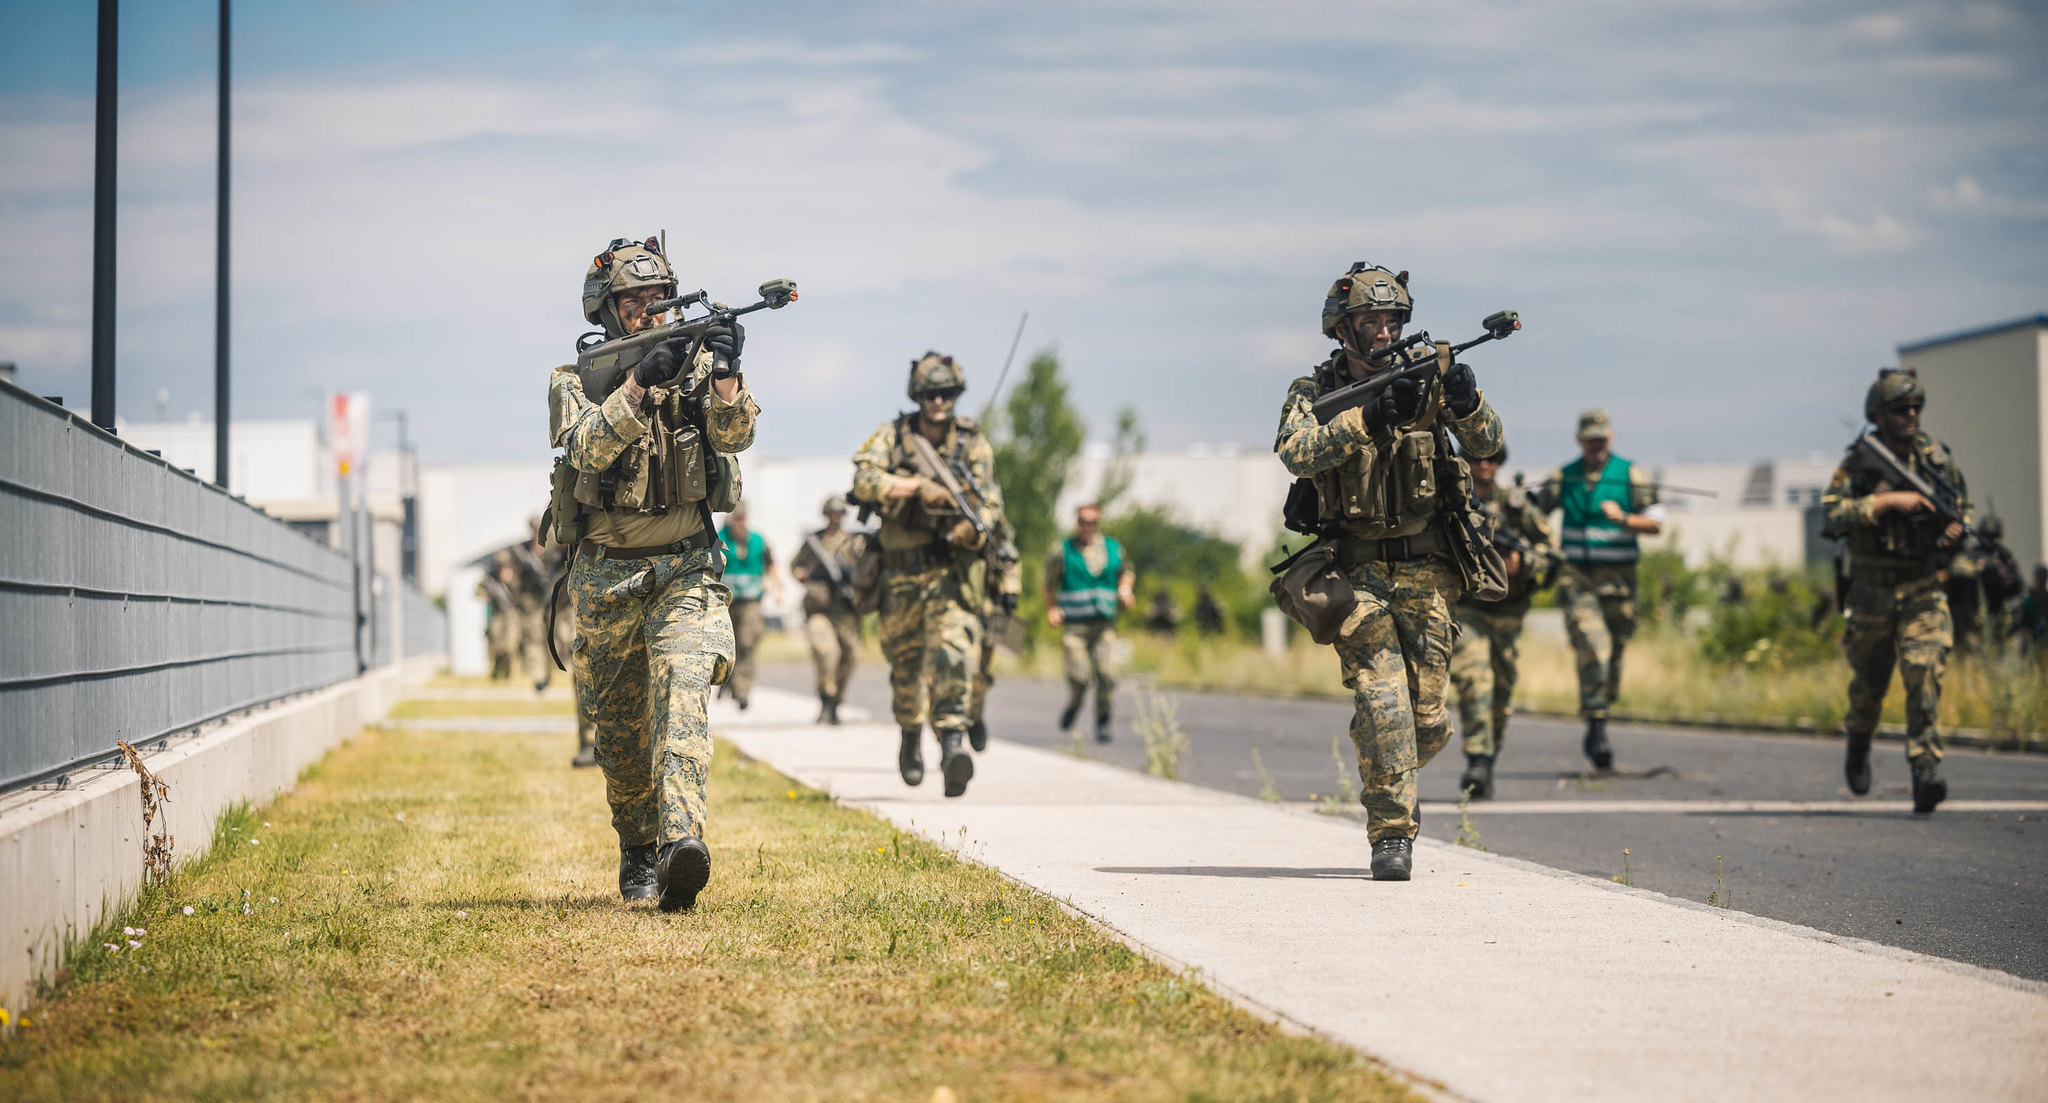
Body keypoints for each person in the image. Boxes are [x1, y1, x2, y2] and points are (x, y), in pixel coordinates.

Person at [1275, 263, 1503, 880]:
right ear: (1342, 329)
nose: (1383, 331)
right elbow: (1295, 450)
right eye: (1369, 321)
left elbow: (1486, 446)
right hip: (1354, 575)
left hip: (1429, 573)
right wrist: (1370, 417)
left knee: (1425, 721)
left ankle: (1387, 766)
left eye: (1391, 320)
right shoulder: (1311, 389)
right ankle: (1391, 834)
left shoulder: (1428, 377)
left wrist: (1466, 400)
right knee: (1384, 703)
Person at [549, 235, 756, 910]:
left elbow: (734, 438)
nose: (648, 310)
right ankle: (638, 845)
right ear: (604, 311)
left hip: (686, 568)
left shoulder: (693, 370)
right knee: (621, 734)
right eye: (632, 300)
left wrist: (723, 373)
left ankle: (679, 845)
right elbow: (584, 445)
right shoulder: (576, 379)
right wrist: (638, 383)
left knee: (682, 689)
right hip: (606, 579)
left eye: (656, 297)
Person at [851, 352, 1008, 798]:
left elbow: (991, 502)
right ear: (917, 396)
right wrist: (916, 487)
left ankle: (953, 745)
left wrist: (968, 529)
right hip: (899, 577)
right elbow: (864, 479)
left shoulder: (973, 444)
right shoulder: (893, 436)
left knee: (956, 653)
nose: (939, 401)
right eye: (930, 394)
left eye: (947, 393)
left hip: (948, 573)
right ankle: (910, 736)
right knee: (906, 666)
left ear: (957, 395)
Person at [1821, 368, 1968, 814]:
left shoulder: (1936, 459)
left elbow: (1962, 507)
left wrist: (1956, 530)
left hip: (1922, 586)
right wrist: (1885, 503)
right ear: (1878, 414)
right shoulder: (1858, 461)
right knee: (1869, 684)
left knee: (1924, 673)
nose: (1911, 415)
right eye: (1901, 408)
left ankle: (1924, 771)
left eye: (1916, 407)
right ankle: (1859, 742)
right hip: (1871, 591)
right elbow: (1831, 515)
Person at [1531, 410, 1663, 771]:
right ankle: (1597, 726)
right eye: (1589, 439)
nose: (1595, 445)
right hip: (1578, 578)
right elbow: (1533, 512)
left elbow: (1655, 523)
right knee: (1594, 648)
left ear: (1611, 438)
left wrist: (1623, 517)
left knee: (1614, 654)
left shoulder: (1629, 474)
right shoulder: (1565, 476)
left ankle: (1600, 711)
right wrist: (1546, 545)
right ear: (1579, 439)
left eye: (1601, 439)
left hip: (1619, 581)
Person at [1450, 450, 1552, 799]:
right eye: (1476, 457)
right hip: (1468, 606)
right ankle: (1477, 758)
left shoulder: (1516, 506)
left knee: (1502, 684)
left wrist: (1523, 563)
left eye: (1492, 457)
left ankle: (1488, 759)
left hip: (1508, 610)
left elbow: (1548, 552)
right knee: (1473, 677)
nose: (1484, 464)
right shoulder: (1453, 500)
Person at [1045, 503, 1136, 742]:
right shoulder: (1063, 550)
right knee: (1080, 677)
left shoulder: (1113, 549)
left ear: (1098, 523)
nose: (1088, 527)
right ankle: (1074, 704)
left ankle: (1103, 721)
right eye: (1083, 522)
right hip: (1075, 627)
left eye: (1092, 522)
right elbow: (1048, 584)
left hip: (1104, 625)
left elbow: (1127, 571)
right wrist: (1052, 609)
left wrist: (1125, 589)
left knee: (1108, 674)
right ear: (1077, 523)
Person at [790, 495, 868, 724]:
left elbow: (865, 569)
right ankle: (825, 699)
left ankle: (837, 700)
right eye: (832, 513)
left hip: (845, 610)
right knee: (826, 652)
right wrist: (805, 577)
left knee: (851, 656)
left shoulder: (854, 542)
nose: (836, 518)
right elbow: (794, 566)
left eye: (840, 513)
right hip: (820, 609)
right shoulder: (815, 541)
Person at [717, 504, 782, 711]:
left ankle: (742, 690)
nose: (740, 522)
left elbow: (770, 564)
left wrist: (778, 589)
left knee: (747, 642)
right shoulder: (718, 538)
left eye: (743, 518)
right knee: (724, 643)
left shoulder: (758, 540)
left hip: (751, 600)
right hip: (724, 601)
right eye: (736, 518)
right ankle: (724, 681)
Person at [965, 529, 1022, 753]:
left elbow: (1010, 556)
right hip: (960, 607)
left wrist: (1010, 589)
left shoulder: (988, 511)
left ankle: (975, 717)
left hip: (990, 608)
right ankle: (954, 728)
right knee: (964, 669)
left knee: (981, 673)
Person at [1943, 514, 2023, 654]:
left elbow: (2018, 586)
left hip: (1997, 617)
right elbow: (1955, 571)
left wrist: (2006, 578)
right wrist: (1976, 570)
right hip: (1971, 618)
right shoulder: (1971, 555)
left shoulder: (2003, 557)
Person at [478, 554, 522, 681]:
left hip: (511, 615)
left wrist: (509, 580)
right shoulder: (489, 579)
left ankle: (509, 673)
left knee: (510, 645)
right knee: (497, 646)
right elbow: (478, 591)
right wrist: (487, 595)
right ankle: (496, 673)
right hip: (497, 616)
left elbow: (519, 592)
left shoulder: (513, 576)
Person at [2017, 565, 2048, 660]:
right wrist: (2029, 635)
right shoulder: (2027, 602)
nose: (2041, 583)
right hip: (2030, 645)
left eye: (2043, 579)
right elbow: (2020, 625)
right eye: (2039, 579)